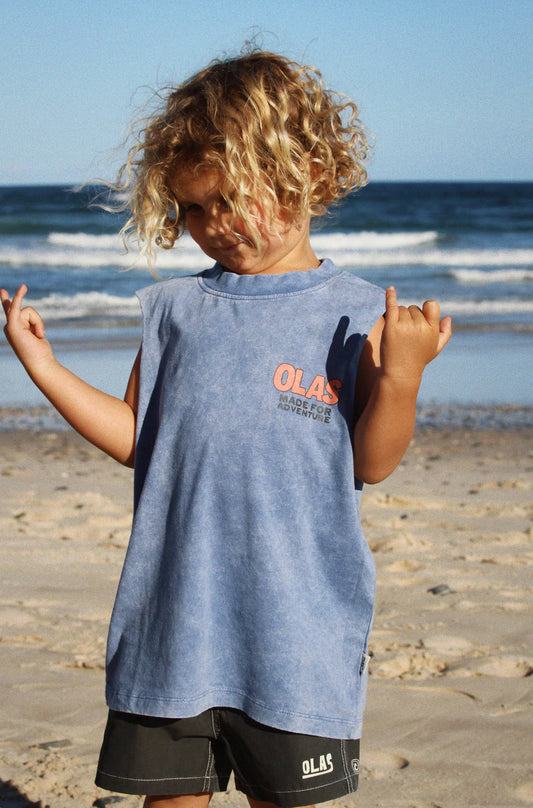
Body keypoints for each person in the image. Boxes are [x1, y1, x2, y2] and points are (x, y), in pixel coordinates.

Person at [1, 50, 452, 808]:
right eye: (192, 209)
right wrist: (42, 365)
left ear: (306, 174)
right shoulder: (176, 311)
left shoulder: (354, 314)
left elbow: (372, 462)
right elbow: (136, 437)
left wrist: (401, 376)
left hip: (294, 633)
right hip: (173, 622)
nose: (212, 226)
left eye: (229, 200)